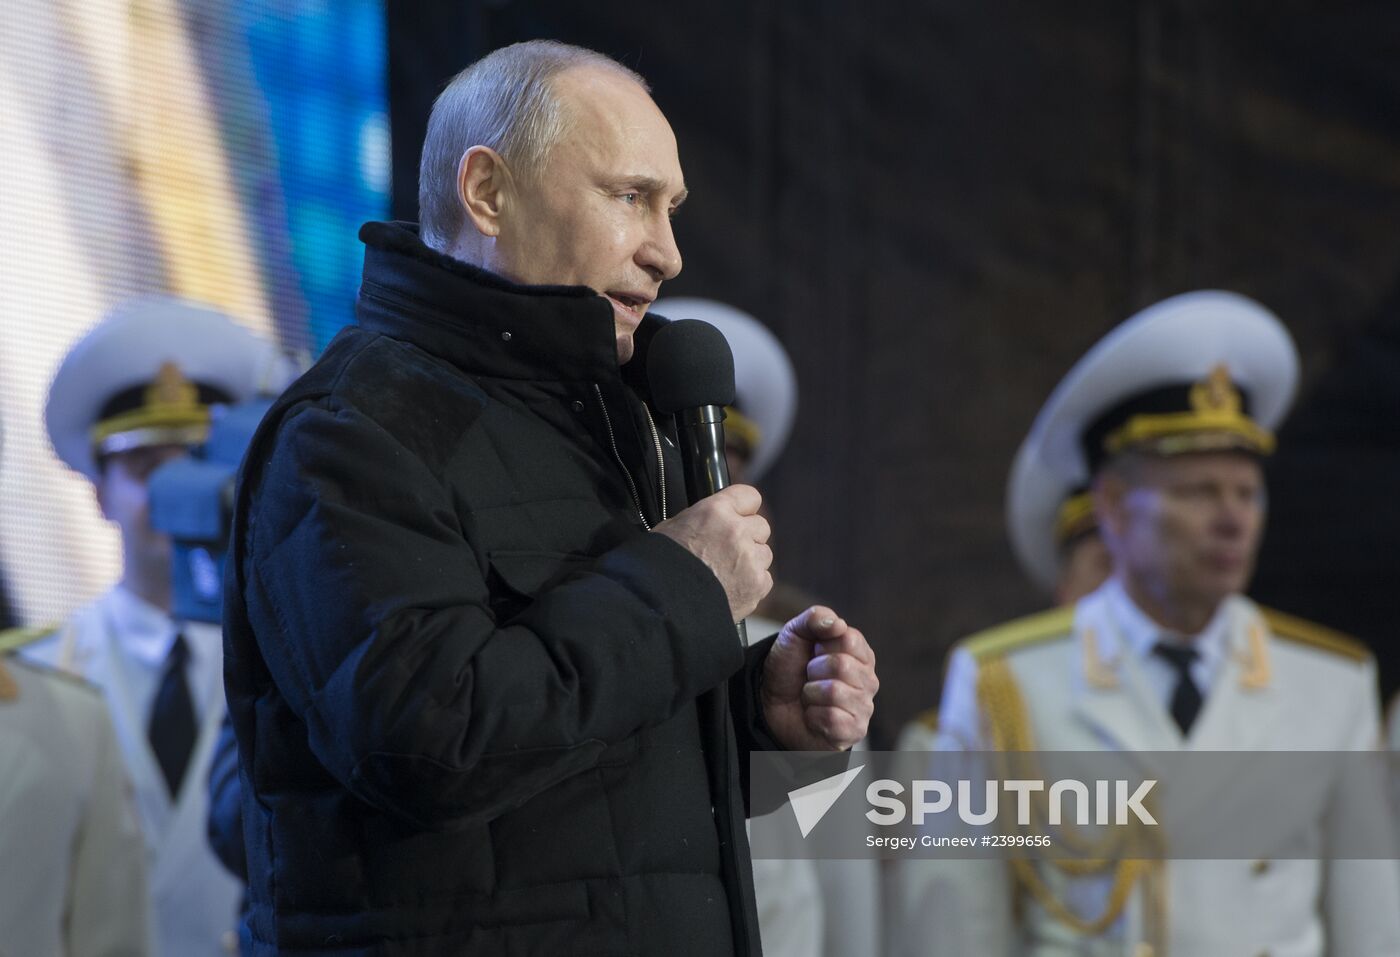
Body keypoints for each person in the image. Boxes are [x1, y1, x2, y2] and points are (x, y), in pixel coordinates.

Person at [223, 39, 878, 957]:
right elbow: (426, 745)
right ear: (488, 191)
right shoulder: (350, 428)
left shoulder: (608, 422)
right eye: (630, 196)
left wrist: (753, 718)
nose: (667, 252)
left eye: (672, 207)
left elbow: (581, 790)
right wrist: (681, 591)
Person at [897, 290, 1400, 956]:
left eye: (1247, 493)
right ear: (1112, 505)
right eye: (1198, 492)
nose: (1232, 520)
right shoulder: (1007, 684)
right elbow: (954, 931)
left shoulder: (1330, 684)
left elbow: (1371, 929)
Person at [28, 295, 294, 956]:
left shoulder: (295, 660)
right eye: (148, 469)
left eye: (196, 463)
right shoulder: (35, 676)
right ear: (100, 493)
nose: (175, 493)